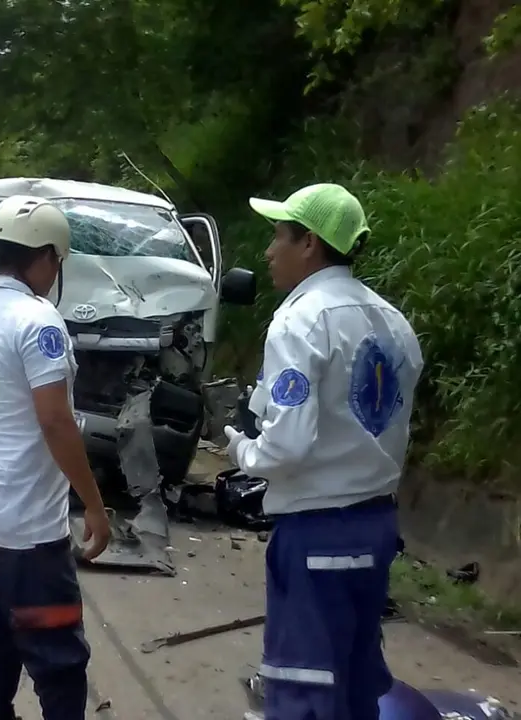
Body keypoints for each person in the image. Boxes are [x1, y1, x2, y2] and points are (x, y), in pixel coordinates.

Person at [222, 183, 423, 720]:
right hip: (376, 527)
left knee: (304, 693)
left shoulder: (302, 319)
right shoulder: (394, 322)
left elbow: (286, 444)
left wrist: (244, 451)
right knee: (357, 688)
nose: (268, 251)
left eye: (277, 237)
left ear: (308, 243)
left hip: (316, 532)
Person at [0, 195, 111, 720]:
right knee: (56, 652)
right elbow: (55, 421)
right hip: (27, 526)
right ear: (50, 257)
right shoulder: (41, 322)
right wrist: (95, 506)